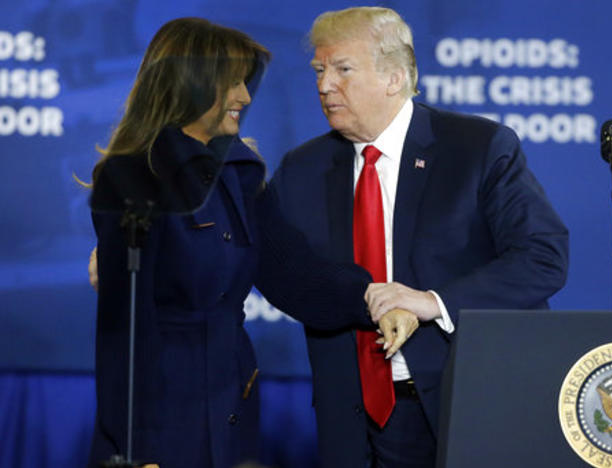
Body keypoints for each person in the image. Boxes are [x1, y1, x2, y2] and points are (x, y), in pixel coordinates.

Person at [88, 17, 417, 468]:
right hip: (163, 424)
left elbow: (294, 273)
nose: (245, 96)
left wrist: (375, 299)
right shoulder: (136, 179)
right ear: (192, 84)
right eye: (232, 83)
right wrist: (139, 449)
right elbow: (124, 338)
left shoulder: (240, 175)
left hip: (231, 408)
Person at [266, 6, 569, 467]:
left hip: (466, 406)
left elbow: (543, 257)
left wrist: (433, 301)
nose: (325, 85)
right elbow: (279, 269)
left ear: (394, 77)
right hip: (352, 420)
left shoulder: (477, 148)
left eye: (343, 69)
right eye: (319, 70)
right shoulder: (301, 169)